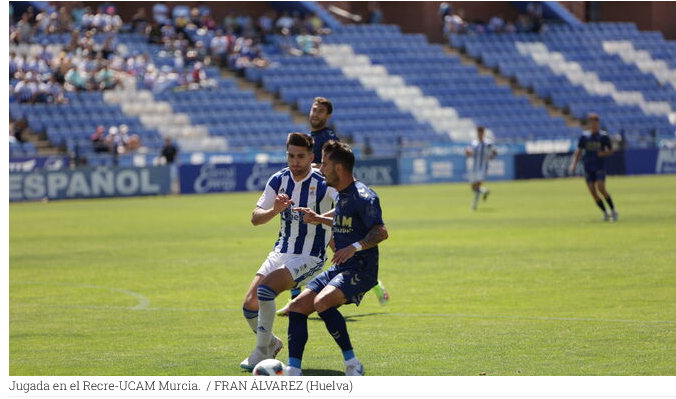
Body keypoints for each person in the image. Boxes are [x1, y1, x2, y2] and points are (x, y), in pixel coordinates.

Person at [276, 98, 389, 316]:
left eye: (320, 111)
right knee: (328, 244)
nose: (315, 114)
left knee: (317, 244)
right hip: (318, 196)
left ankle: (365, 283)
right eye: (313, 109)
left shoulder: (327, 138)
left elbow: (334, 164)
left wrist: (309, 165)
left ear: (328, 116)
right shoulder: (313, 138)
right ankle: (300, 298)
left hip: (326, 193)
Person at [285, 140, 389, 376]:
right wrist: (318, 218)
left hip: (361, 268)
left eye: (326, 163)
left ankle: (353, 364)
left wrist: (354, 246)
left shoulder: (364, 196)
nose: (321, 168)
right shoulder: (342, 194)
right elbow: (344, 219)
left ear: (339, 168)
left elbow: (381, 231)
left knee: (322, 303)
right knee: (297, 307)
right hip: (341, 267)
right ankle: (293, 369)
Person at [239, 133, 338, 370]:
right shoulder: (278, 180)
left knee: (265, 291)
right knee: (249, 304)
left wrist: (320, 218)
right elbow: (255, 218)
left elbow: (347, 208)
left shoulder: (324, 181)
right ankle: (272, 343)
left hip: (310, 255)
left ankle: (260, 353)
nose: (295, 161)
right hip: (281, 250)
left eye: (301, 156)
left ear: (311, 157)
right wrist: (274, 210)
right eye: (291, 156)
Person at [568, 113, 618, 222]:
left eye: (594, 121)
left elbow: (611, 150)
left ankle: (613, 210)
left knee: (601, 188)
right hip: (588, 166)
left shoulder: (603, 136)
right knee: (593, 191)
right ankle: (605, 212)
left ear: (598, 122)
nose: (593, 123)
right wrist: (573, 164)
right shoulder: (584, 136)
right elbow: (579, 151)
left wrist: (603, 154)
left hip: (599, 166)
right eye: (591, 121)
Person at [465, 126, 497, 211]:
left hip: (483, 168)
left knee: (477, 185)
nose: (479, 134)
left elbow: (495, 152)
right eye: (478, 132)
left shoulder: (488, 143)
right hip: (474, 168)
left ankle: (474, 206)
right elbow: (468, 153)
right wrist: (467, 153)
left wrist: (491, 157)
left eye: (481, 132)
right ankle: (485, 191)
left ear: (483, 133)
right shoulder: (474, 143)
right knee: (474, 188)